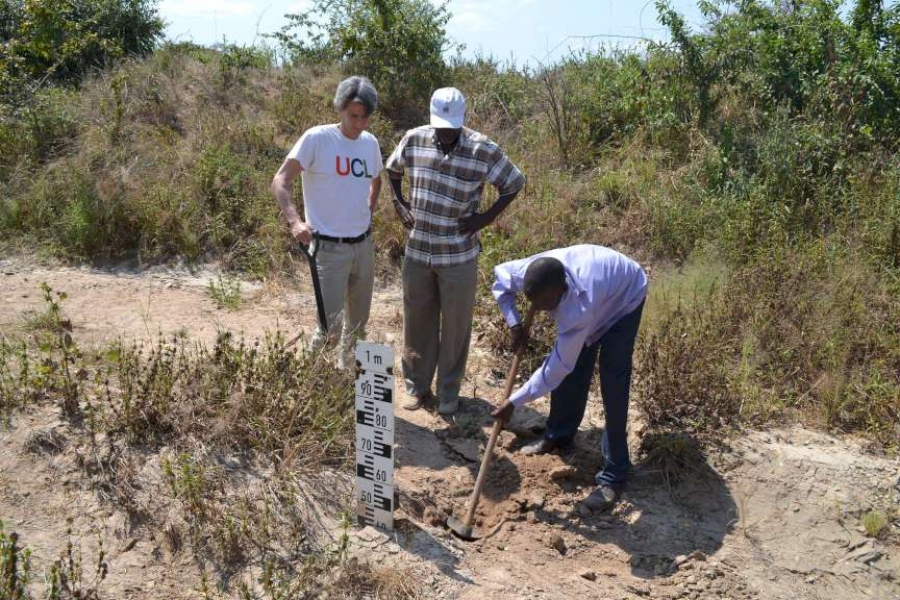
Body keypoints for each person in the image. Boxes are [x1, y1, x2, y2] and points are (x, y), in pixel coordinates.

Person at [386, 87, 526, 415]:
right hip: (419, 250)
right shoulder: (414, 138)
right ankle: (416, 387)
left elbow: (515, 182)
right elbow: (393, 169)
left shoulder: (482, 149)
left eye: (451, 127)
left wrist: (485, 218)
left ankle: (448, 392)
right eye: (440, 127)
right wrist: (399, 203)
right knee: (417, 322)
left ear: (462, 120)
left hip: (458, 255)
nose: (445, 133)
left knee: (456, 327)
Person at [490, 245, 648, 513]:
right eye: (532, 301)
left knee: (613, 381)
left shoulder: (577, 311)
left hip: (625, 297)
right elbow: (501, 285)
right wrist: (515, 323)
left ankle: (614, 474)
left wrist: (513, 402)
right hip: (600, 282)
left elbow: (556, 369)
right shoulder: (525, 273)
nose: (538, 310)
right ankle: (559, 434)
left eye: (544, 304)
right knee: (575, 367)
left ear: (562, 289)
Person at [271, 76, 383, 367]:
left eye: (365, 117)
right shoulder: (317, 139)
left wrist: (368, 210)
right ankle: (308, 382)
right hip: (328, 249)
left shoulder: (370, 143)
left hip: (363, 247)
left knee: (358, 327)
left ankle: (348, 382)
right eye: (353, 116)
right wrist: (295, 222)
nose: (360, 124)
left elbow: (377, 180)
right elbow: (280, 181)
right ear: (340, 109)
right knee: (329, 329)